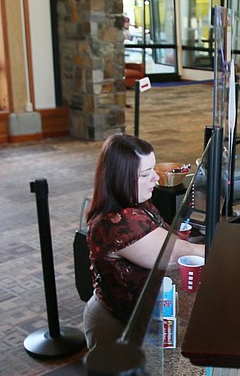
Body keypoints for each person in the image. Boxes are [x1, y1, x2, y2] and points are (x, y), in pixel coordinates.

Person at [82, 132, 204, 351]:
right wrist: (228, 249)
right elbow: (179, 253)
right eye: (146, 174)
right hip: (114, 325)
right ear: (121, 178)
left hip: (131, 315)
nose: (156, 179)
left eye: (154, 170)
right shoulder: (116, 223)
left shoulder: (136, 202)